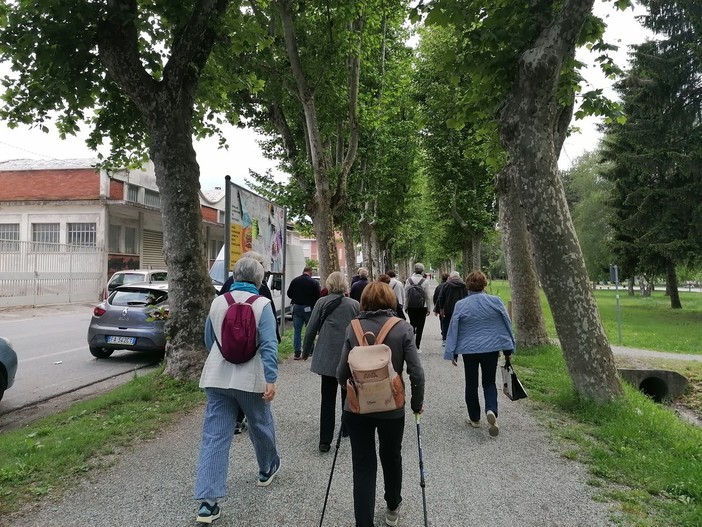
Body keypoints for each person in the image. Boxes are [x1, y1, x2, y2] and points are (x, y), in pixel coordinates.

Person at [194, 257, 281, 524]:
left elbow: (210, 340)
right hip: (250, 380)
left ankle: (208, 503)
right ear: (260, 279)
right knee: (260, 424)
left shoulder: (218, 302)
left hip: (217, 378)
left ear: (234, 276)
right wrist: (271, 378)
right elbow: (269, 345)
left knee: (215, 436)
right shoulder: (262, 305)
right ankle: (266, 469)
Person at [337, 281, 425, 527]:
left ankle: (363, 521)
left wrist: (351, 389)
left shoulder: (352, 328)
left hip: (357, 409)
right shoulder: (403, 328)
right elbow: (417, 373)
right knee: (391, 455)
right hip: (392, 406)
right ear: (390, 301)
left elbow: (341, 372)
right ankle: (392, 506)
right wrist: (416, 404)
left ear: (363, 301)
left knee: (363, 464)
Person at [443, 270, 515, 437]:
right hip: (491, 349)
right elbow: (506, 325)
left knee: (471, 383)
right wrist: (508, 349)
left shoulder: (461, 305)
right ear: (485, 284)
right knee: (489, 382)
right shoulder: (495, 301)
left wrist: (452, 352)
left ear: (468, 285)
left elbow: (454, 329)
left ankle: (474, 418)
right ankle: (491, 410)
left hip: (469, 350)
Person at [218, 251, 280, 434]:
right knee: (250, 388)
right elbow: (269, 317)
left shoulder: (229, 284)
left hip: (227, 346)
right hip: (252, 347)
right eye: (261, 265)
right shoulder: (259, 287)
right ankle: (255, 425)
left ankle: (235, 421)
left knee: (231, 385)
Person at [301, 272, 360, 452]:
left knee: (327, 398)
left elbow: (311, 328)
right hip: (348, 357)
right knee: (347, 394)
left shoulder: (321, 302)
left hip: (326, 357)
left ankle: (325, 440)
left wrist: (305, 350)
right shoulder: (354, 305)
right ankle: (346, 429)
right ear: (344, 285)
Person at [286, 266, 321, 360]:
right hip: (308, 308)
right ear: (310, 272)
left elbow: (289, 294)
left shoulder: (295, 281)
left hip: (296, 307)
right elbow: (318, 296)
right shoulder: (314, 282)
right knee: (309, 330)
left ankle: (297, 353)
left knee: (297, 331)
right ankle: (309, 350)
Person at [404, 263, 433, 352]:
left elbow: (406, 295)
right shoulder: (425, 281)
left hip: (411, 306)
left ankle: (411, 345)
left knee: (412, 324)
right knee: (420, 326)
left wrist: (406, 306)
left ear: (414, 270)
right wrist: (428, 308)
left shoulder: (409, 280)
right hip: (422, 306)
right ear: (422, 271)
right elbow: (428, 296)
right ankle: (417, 346)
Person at [437, 271, 468, 346]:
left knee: (446, 324)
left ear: (450, 277)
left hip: (448, 308)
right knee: (460, 324)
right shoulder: (464, 285)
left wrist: (441, 308)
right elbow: (467, 296)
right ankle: (460, 339)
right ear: (459, 277)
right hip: (461, 309)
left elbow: (441, 297)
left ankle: (445, 340)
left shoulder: (446, 285)